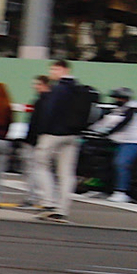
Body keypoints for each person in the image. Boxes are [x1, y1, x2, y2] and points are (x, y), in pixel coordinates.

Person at [24, 60, 93, 222]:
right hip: (74, 135)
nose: (52, 72)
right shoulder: (80, 89)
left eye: (54, 69)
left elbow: (48, 112)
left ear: (63, 70)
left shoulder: (57, 89)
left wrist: (40, 133)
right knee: (67, 173)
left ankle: (49, 202)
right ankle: (62, 209)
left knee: (40, 164)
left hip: (53, 134)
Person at [92, 86, 137, 202]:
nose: (115, 100)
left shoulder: (133, 108)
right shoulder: (120, 109)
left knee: (121, 164)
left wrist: (109, 132)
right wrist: (93, 130)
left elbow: (124, 122)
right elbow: (105, 121)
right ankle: (99, 189)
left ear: (125, 98)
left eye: (118, 98)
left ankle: (121, 192)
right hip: (118, 141)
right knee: (102, 163)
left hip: (132, 142)